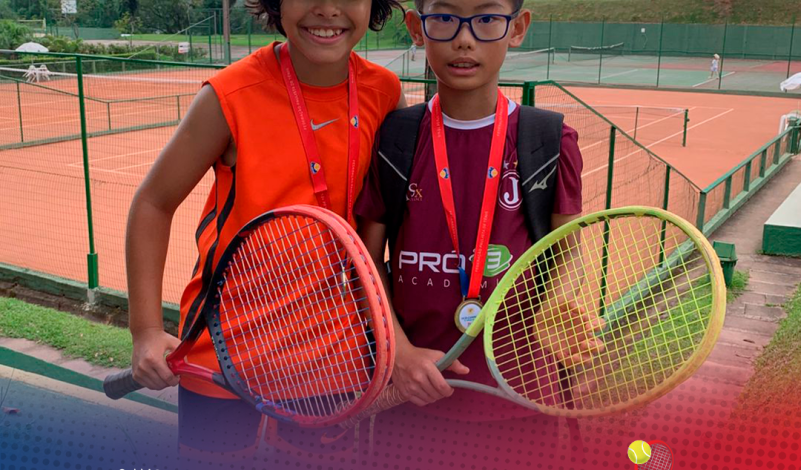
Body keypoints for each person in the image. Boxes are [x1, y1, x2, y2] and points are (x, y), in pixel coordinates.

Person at [124, 0, 405, 462]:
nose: (327, 9)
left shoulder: (385, 91)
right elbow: (153, 203)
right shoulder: (230, 94)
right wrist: (146, 331)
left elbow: (387, 222)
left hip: (333, 357)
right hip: (221, 349)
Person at [354, 0, 604, 466]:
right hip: (412, 400)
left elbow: (567, 251)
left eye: (487, 19)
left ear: (518, 28)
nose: (464, 39)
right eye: (445, 18)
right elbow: (366, 265)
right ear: (416, 28)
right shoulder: (394, 138)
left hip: (521, 400)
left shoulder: (549, 139)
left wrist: (559, 300)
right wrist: (400, 354)